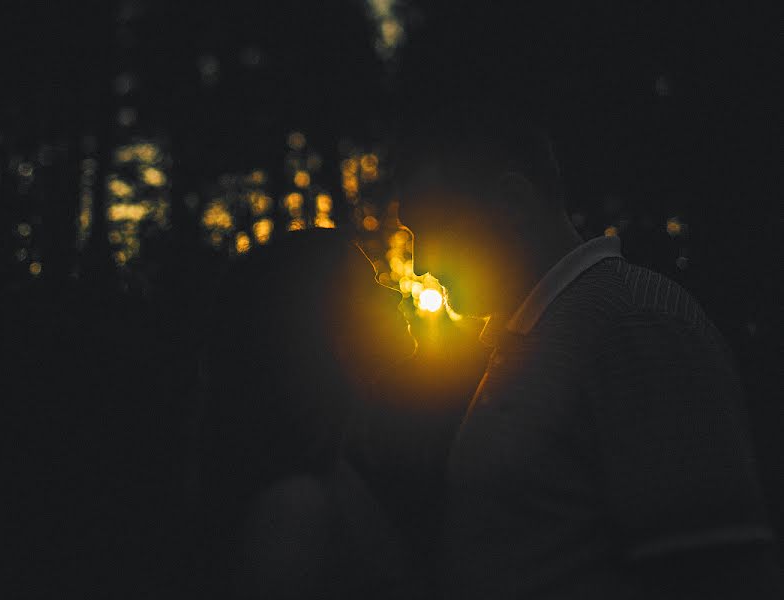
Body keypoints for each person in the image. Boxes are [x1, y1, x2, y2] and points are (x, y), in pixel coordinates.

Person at [390, 23, 784, 598]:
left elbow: (716, 572)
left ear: (513, 204)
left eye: (432, 230)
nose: (421, 261)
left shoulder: (635, 327)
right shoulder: (544, 336)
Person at [198, 229, 417, 599]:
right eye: (369, 286)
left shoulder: (342, 464)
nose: (395, 292)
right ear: (324, 324)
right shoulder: (294, 508)